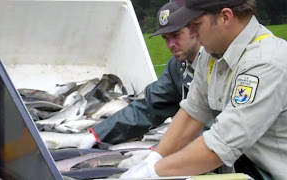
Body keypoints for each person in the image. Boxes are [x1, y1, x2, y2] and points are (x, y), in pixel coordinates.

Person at [120, 0, 287, 179]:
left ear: (225, 17)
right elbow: (193, 112)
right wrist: (155, 157)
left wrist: (152, 171)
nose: (192, 33)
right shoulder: (211, 54)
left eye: (196, 24)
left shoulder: (266, 63)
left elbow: (221, 145)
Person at [77, 0, 202, 150]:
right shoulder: (177, 65)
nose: (171, 44)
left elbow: (217, 126)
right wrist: (98, 135)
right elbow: (150, 106)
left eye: (176, 35)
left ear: (195, 29)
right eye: (166, 38)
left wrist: (161, 152)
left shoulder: (219, 62)